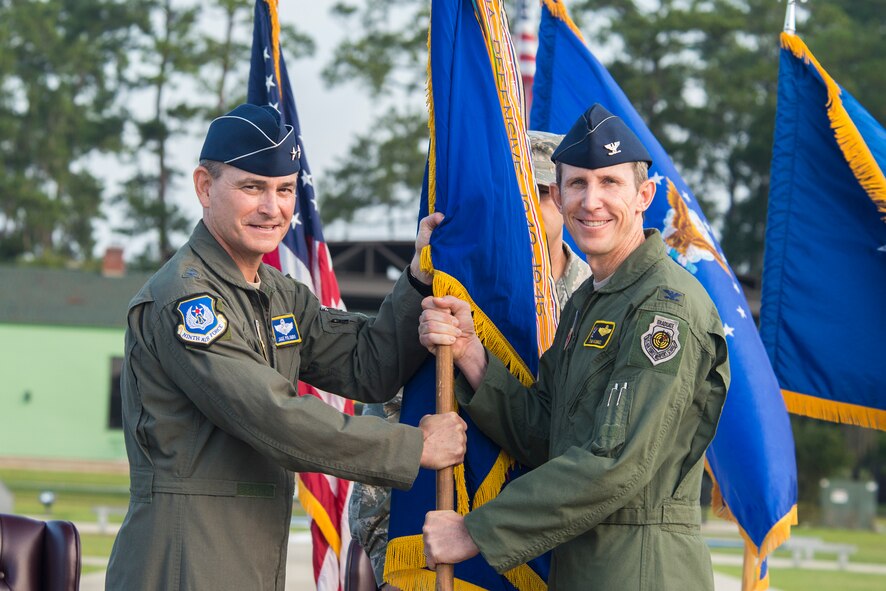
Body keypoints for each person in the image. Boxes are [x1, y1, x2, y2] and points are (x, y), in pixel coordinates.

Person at [105, 103, 467, 590]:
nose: (272, 207)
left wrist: (419, 282)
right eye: (252, 187)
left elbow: (365, 366)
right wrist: (414, 446)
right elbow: (271, 415)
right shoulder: (187, 300)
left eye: (285, 189)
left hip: (250, 552)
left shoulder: (277, 292)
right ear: (205, 187)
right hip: (183, 556)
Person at [419, 104, 730, 590]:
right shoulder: (591, 301)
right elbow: (550, 433)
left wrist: (477, 531)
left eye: (610, 183)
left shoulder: (663, 309)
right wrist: (472, 358)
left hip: (642, 570)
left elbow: (614, 463)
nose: (591, 201)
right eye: (578, 184)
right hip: (588, 567)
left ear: (644, 194)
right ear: (558, 196)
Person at [346, 131, 591, 590]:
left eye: (540, 195)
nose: (526, 210)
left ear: (562, 199)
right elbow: (387, 430)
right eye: (512, 195)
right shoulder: (449, 297)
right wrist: (395, 565)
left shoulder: (593, 301)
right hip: (444, 565)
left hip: (565, 563)